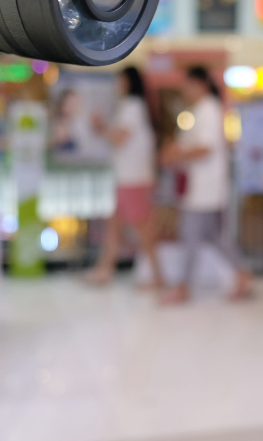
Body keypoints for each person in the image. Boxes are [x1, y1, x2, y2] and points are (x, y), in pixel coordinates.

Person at [160, 66, 253, 304]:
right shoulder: (202, 111)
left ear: (199, 84)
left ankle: (183, 287)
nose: (184, 90)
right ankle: (242, 275)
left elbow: (206, 148)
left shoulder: (208, 110)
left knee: (191, 236)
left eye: (188, 85)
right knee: (215, 237)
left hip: (204, 190)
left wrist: (178, 152)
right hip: (203, 189)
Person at [86, 67, 163, 288]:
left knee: (142, 228)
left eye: (120, 80)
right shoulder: (136, 107)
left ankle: (158, 277)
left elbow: (120, 139)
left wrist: (102, 128)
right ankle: (104, 270)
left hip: (133, 178)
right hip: (128, 177)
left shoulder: (132, 106)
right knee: (114, 226)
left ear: (128, 81)